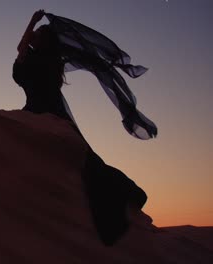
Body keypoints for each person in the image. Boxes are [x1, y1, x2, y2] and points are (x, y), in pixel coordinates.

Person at [12, 10, 157, 246]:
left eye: (37, 35)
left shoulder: (44, 61)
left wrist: (35, 22)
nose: (32, 37)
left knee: (86, 165)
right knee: (85, 163)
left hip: (45, 112)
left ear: (43, 41)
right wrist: (33, 22)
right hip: (37, 111)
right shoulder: (35, 57)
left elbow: (22, 49)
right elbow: (21, 46)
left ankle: (124, 196)